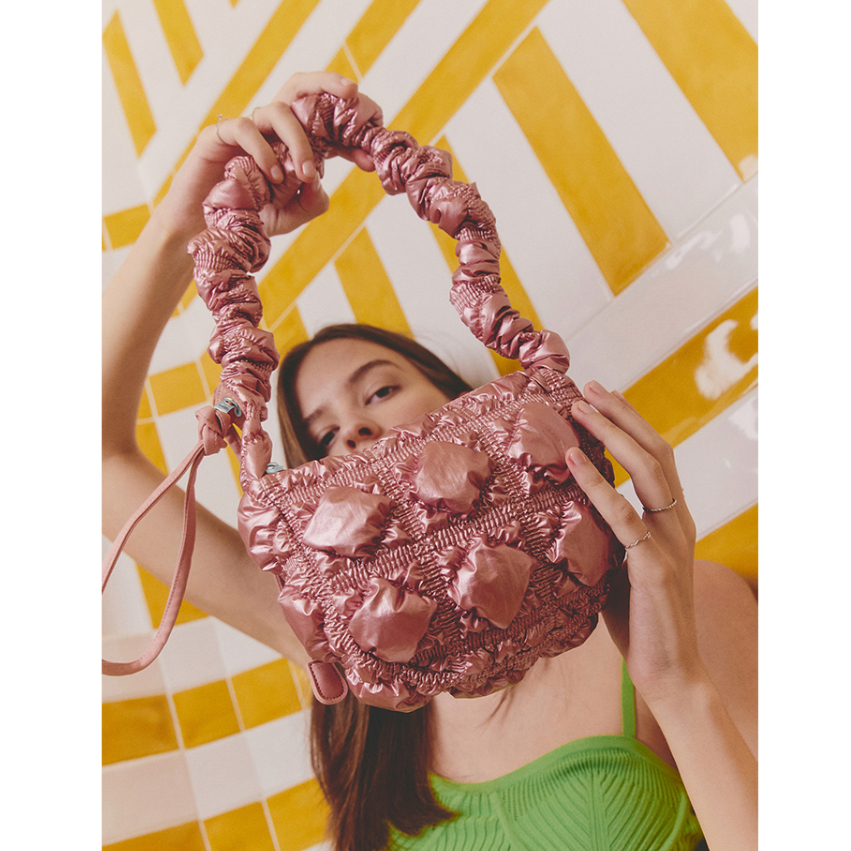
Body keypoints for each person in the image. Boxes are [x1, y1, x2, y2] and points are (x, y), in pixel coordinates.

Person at [103, 72, 758, 851]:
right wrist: (187, 222)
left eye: (379, 390)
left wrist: (676, 684)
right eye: (322, 438)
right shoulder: (350, 650)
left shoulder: (674, 608)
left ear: (467, 401)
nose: (354, 430)